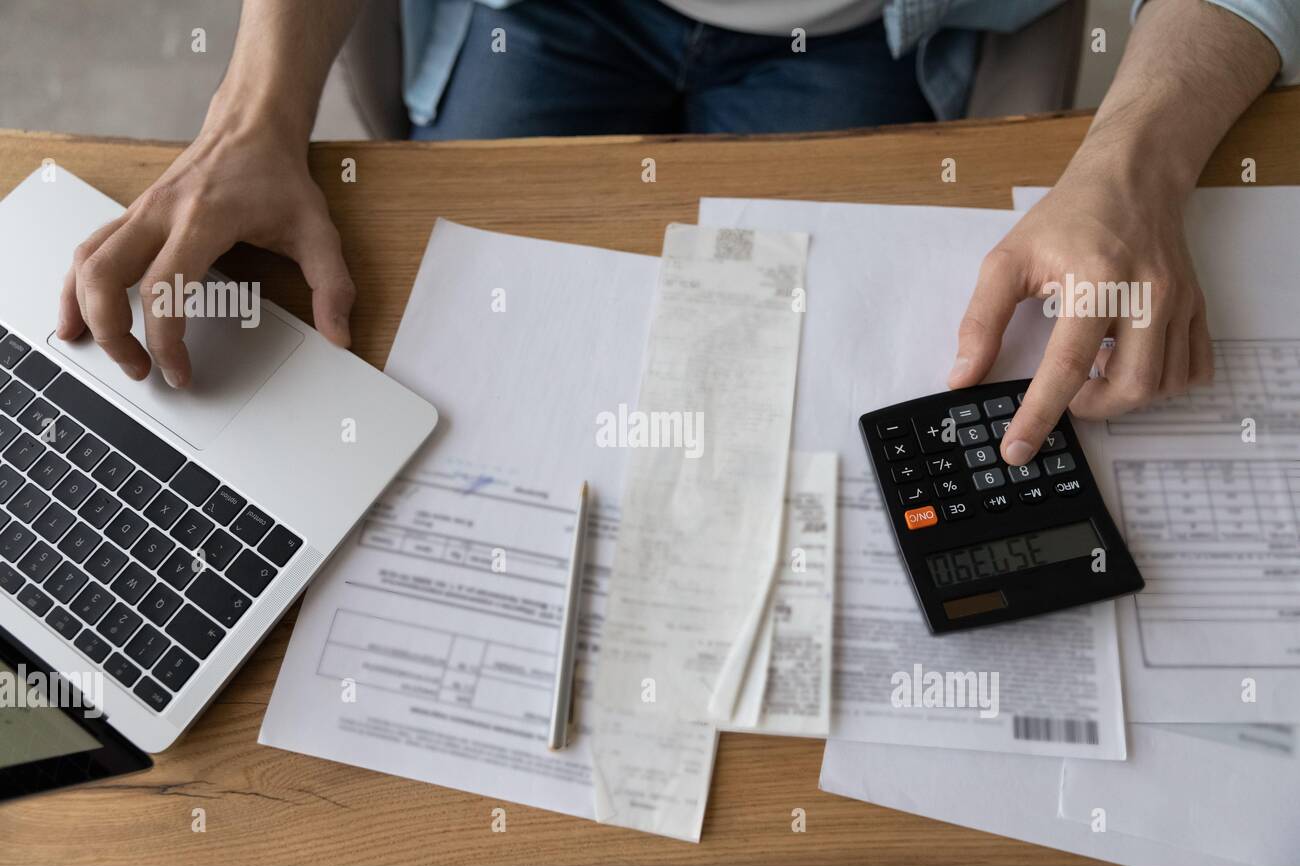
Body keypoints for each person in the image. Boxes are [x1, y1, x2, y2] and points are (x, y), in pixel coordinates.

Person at [58, 0, 1296, 466]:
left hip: (862, 32)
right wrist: (251, 112)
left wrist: (1135, 157)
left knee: (830, 422)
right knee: (438, 390)